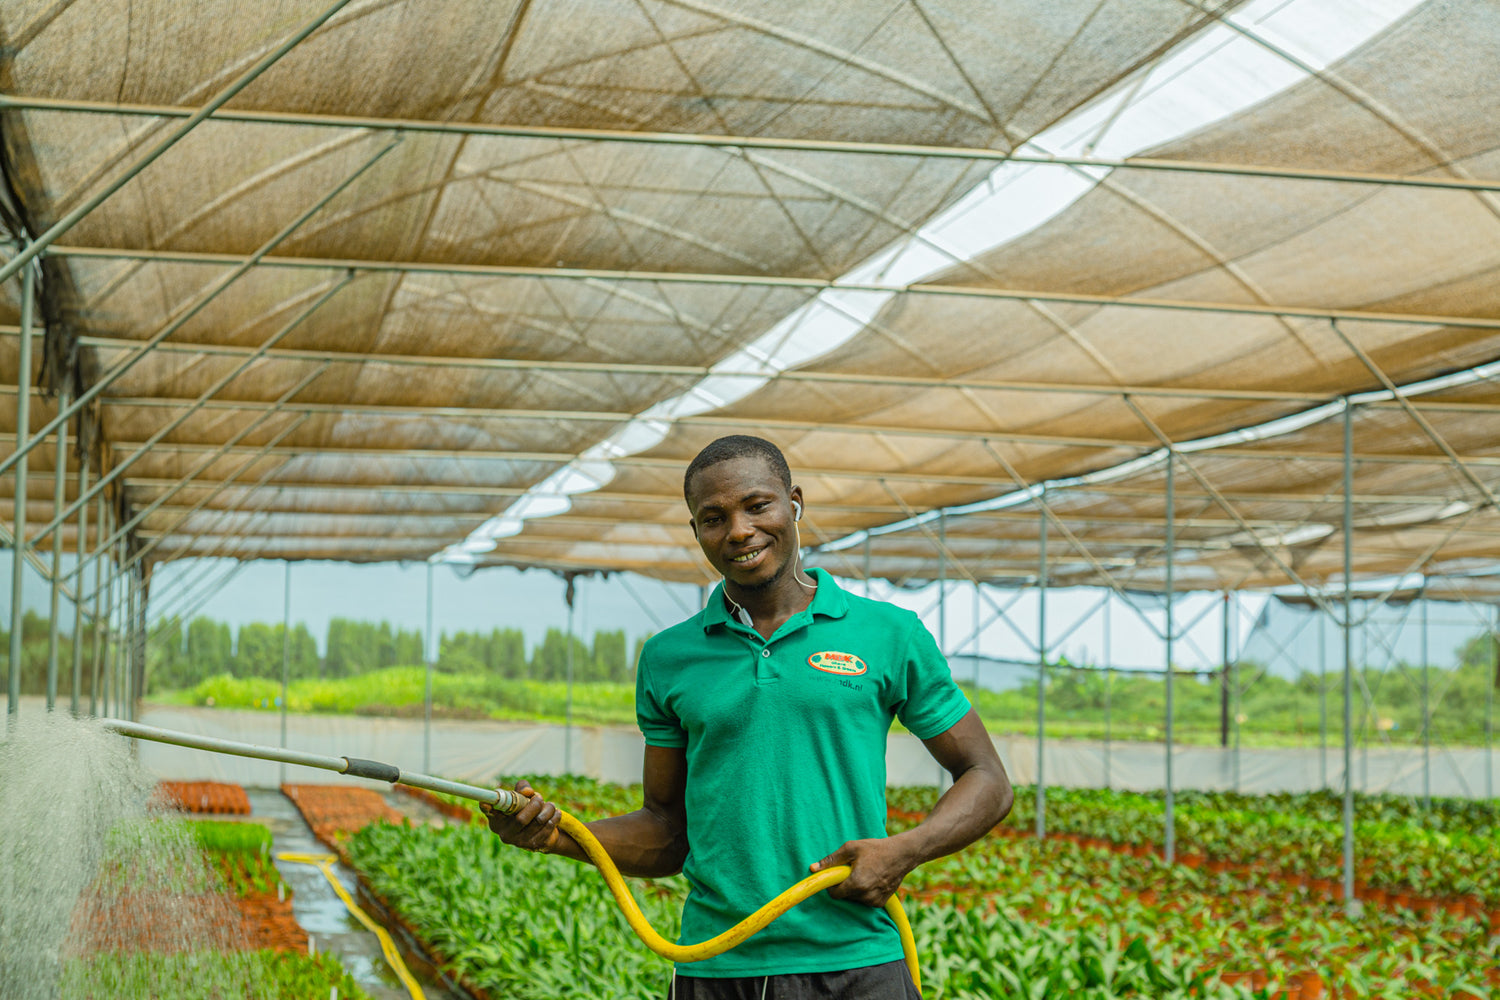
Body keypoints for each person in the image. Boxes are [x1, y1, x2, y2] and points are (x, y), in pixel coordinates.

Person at [484, 435, 1013, 999]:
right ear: (696, 532)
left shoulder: (889, 633)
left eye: (757, 505)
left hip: (858, 964)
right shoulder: (669, 658)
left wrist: (905, 851)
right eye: (713, 517)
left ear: (794, 503)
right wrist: (558, 834)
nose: (738, 530)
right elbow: (667, 832)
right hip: (717, 971)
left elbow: (987, 779)